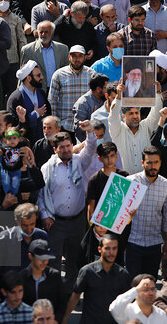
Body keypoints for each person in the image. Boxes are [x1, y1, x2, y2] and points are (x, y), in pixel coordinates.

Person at [38, 123, 97, 291]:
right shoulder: (47, 168)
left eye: (68, 146)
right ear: (55, 149)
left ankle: (71, 294)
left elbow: (91, 147)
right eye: (62, 147)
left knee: (74, 261)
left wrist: (90, 131)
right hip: (55, 222)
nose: (66, 150)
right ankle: (55, 294)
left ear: (72, 146)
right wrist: (45, 216)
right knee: (54, 262)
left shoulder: (79, 162)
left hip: (77, 221)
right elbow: (42, 196)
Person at [126, 146, 167, 278]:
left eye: (156, 162)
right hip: (132, 242)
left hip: (154, 244)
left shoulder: (166, 185)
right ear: (143, 163)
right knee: (133, 286)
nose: (153, 166)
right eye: (149, 163)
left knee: (149, 285)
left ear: (160, 162)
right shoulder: (130, 182)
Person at [62, 234, 131, 324]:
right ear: (99, 249)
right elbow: (75, 296)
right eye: (107, 248)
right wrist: (65, 318)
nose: (111, 252)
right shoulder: (87, 271)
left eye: (114, 248)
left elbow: (127, 302)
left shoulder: (123, 275)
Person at [21, 239, 66, 321]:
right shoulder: (21, 278)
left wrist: (56, 320)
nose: (45, 261)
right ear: (30, 256)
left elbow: (63, 302)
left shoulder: (55, 276)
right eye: (40, 258)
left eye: (47, 258)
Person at [20, 20, 69, 92]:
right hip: (37, 91)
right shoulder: (27, 50)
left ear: (52, 33)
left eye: (46, 32)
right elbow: (23, 74)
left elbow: (67, 70)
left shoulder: (63, 49)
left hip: (58, 90)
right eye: (41, 32)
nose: (43, 34)